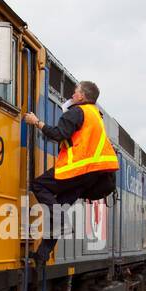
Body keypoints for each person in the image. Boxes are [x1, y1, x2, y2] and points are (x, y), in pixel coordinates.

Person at [22, 81, 119, 265]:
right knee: (58, 206)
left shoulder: (78, 111)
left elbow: (59, 134)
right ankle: (42, 255)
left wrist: (37, 123)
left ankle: (61, 221)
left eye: (75, 92)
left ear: (81, 96)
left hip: (78, 169)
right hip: (91, 175)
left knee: (39, 185)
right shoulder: (95, 115)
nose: (72, 95)